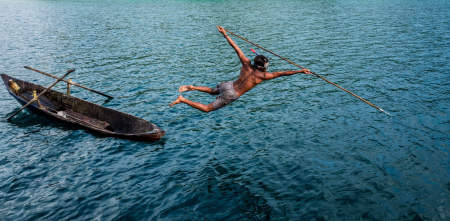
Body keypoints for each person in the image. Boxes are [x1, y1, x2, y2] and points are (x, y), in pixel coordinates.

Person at [169, 26, 311, 112]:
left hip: (228, 85)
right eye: (267, 65)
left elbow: (236, 47)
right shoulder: (264, 76)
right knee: (207, 109)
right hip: (232, 93)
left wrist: (225, 34)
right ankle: (183, 100)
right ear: (262, 67)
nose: (268, 66)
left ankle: (193, 87)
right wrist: (300, 71)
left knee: (213, 91)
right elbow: (283, 73)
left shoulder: (246, 63)